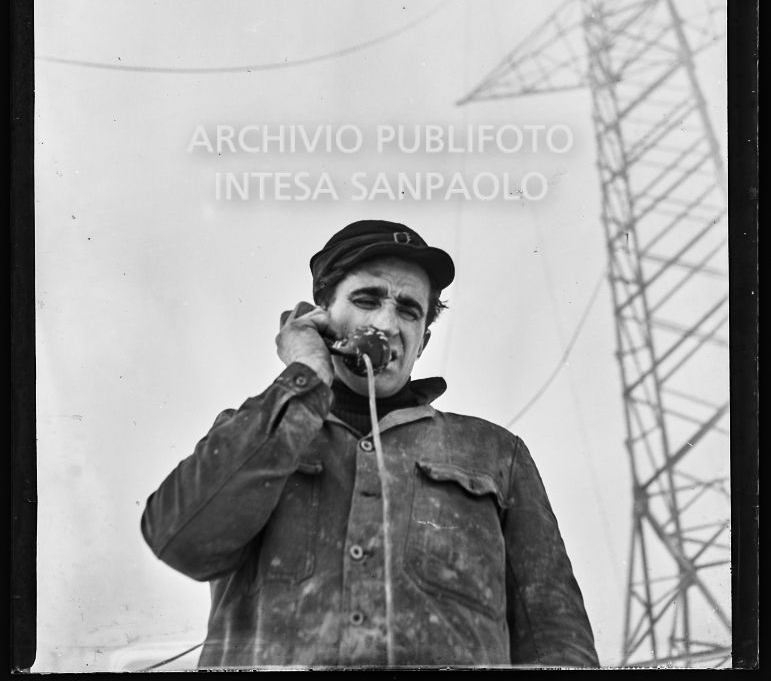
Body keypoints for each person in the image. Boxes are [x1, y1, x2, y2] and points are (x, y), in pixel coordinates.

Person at [141, 219, 599, 668]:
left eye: (408, 310)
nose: (386, 322)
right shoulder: (256, 429)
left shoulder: (496, 453)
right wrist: (304, 378)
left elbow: (556, 640)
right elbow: (180, 542)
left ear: (422, 341)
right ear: (318, 317)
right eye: (366, 299)